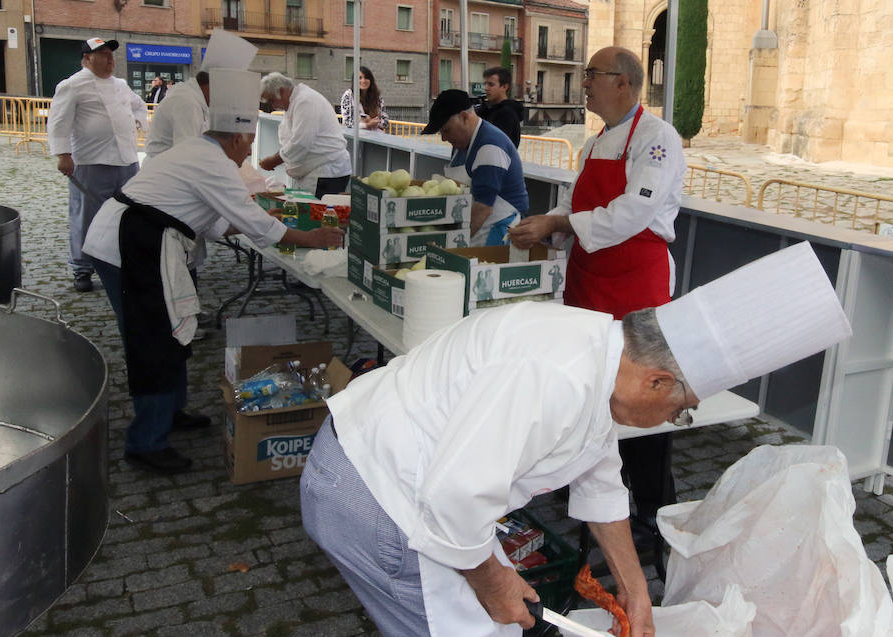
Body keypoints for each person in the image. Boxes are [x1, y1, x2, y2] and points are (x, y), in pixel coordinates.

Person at [300, 241, 851, 637]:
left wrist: (636, 591)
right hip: (379, 496)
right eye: (679, 411)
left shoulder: (602, 354)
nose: (670, 420)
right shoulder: (557, 375)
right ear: (658, 380)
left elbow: (600, 482)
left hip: (413, 487)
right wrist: (494, 582)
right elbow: (452, 499)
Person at [81, 68, 344, 475]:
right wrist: (316, 238)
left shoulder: (202, 153)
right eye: (250, 143)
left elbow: (218, 222)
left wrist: (260, 215)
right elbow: (259, 229)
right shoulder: (214, 161)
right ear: (236, 136)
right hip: (128, 244)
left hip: (139, 238)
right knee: (153, 339)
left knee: (168, 335)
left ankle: (170, 412)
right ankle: (145, 441)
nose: (249, 151)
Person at [510, 47, 687, 537]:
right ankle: (583, 482)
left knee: (644, 391)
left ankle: (653, 504)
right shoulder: (592, 144)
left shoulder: (658, 139)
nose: (585, 82)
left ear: (624, 83)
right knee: (587, 386)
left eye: (593, 75)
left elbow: (633, 212)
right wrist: (546, 230)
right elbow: (571, 204)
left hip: (636, 281)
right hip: (588, 280)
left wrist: (560, 221)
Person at [47, 37, 148, 293]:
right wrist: (63, 154)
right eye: (102, 55)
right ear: (87, 59)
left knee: (126, 214)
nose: (109, 59)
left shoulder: (121, 85)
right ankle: (82, 268)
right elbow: (58, 122)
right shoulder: (72, 85)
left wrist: (137, 122)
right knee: (85, 216)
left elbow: (139, 106)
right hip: (91, 161)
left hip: (126, 160)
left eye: (111, 55)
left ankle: (121, 260)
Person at [421, 89, 528, 247]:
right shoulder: (461, 144)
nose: (444, 138)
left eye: (446, 130)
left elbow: (483, 207)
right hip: (473, 227)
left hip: (496, 230)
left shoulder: (490, 147)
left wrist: (452, 245)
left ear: (464, 117)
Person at [259, 72, 351, 199]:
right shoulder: (295, 102)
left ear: (281, 91)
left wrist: (273, 160)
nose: (273, 105)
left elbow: (301, 142)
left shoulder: (305, 101)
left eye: (272, 100)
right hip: (314, 173)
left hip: (326, 172)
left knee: (317, 215)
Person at [144, 71, 210, 160]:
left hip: (167, 165)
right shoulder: (187, 104)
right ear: (209, 86)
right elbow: (187, 152)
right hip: (166, 167)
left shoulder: (189, 98)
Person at [477, 66, 522, 148]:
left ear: (504, 87)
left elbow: (494, 143)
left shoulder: (507, 114)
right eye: (485, 84)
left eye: (491, 84)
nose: (486, 88)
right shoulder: (487, 109)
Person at [341, 66, 389, 132]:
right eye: (360, 78)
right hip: (357, 138)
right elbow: (348, 123)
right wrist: (367, 125)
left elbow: (386, 122)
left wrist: (375, 122)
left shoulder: (377, 97)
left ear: (371, 80)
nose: (363, 81)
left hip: (376, 137)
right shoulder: (349, 96)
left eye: (366, 77)